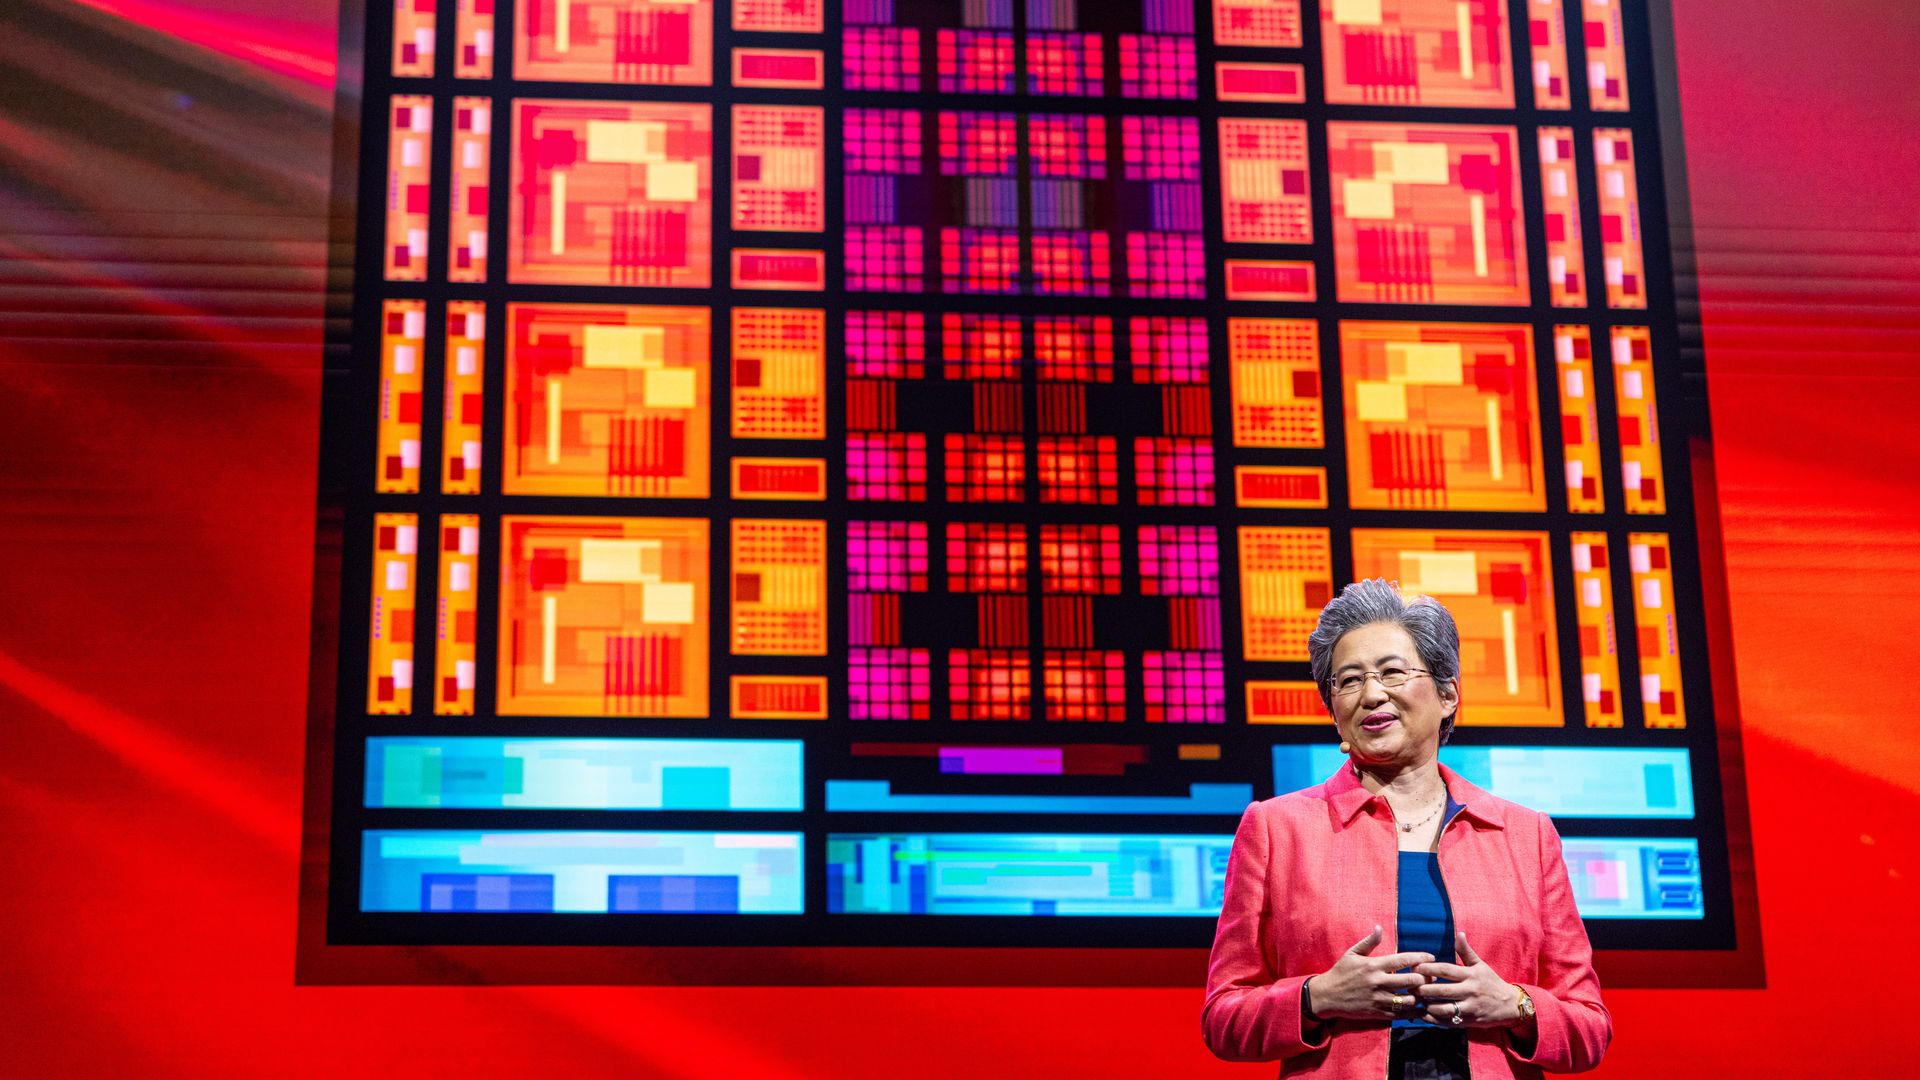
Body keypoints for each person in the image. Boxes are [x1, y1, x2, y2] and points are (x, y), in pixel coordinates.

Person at [1202, 579, 1611, 1077]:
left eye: (1392, 672)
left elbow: (1589, 1029)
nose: (1372, 693)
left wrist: (1513, 1004)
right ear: (1333, 711)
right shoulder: (1275, 828)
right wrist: (1317, 997)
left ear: (1447, 695)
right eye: (1348, 680)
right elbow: (1224, 1017)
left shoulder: (1526, 835)